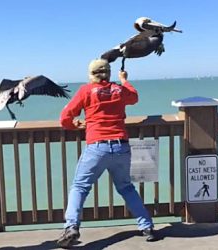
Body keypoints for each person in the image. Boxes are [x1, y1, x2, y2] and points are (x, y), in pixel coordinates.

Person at [56, 59, 156, 248]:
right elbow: (134, 97)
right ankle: (147, 227)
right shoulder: (119, 90)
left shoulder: (86, 91)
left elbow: (65, 118)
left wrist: (74, 125)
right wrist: (125, 80)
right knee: (126, 188)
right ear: (109, 74)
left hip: (97, 147)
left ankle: (71, 227)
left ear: (91, 74)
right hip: (121, 146)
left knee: (79, 187)